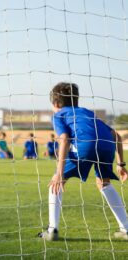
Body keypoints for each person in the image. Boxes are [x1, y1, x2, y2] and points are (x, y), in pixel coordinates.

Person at [38, 82, 128, 241]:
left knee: (56, 182)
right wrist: (121, 165)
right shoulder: (87, 112)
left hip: (86, 146)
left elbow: (64, 139)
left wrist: (59, 173)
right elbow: (117, 136)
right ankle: (126, 229)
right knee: (104, 183)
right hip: (106, 145)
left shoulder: (59, 115)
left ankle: (52, 230)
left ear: (56, 103)